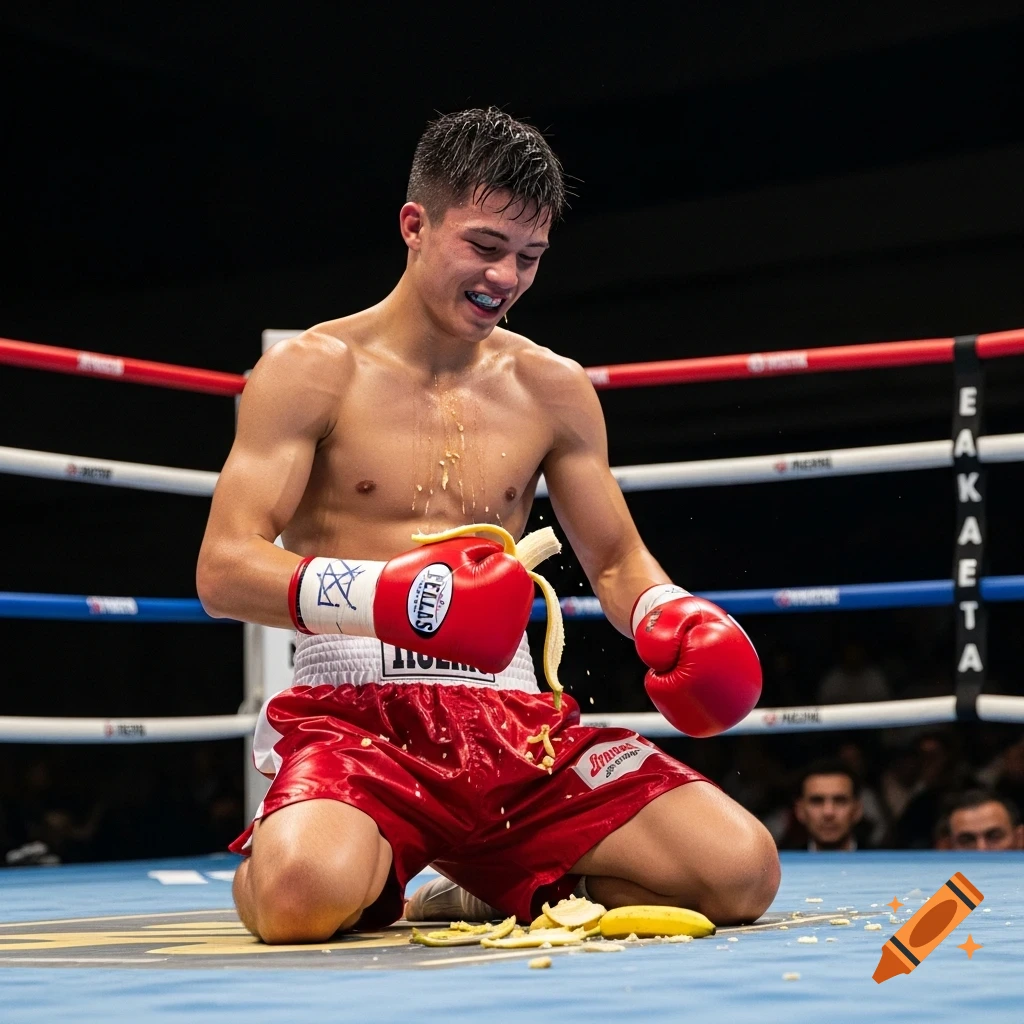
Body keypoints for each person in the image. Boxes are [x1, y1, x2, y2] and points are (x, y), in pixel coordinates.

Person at [197, 107, 778, 943]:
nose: (505, 276)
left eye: (530, 257)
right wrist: (395, 598)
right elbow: (222, 571)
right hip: (358, 718)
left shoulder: (551, 387)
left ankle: (471, 882)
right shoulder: (312, 371)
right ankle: (308, 848)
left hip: (511, 726)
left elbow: (615, 560)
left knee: (740, 873)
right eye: (485, 246)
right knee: (299, 898)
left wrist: (672, 614)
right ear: (414, 225)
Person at [786, 758, 863, 851]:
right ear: (800, 810)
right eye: (817, 801)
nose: (828, 812)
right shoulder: (782, 863)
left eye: (840, 801)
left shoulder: (883, 860)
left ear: (857, 810)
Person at [936, 790, 1024, 851]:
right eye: (966, 841)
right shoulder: (939, 877)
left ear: (1019, 838)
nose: (981, 849)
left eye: (994, 837)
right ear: (947, 846)